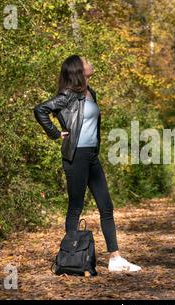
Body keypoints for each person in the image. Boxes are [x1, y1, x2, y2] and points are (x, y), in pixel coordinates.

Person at [34, 55, 141, 272]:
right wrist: (55, 133)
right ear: (78, 70)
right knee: (75, 207)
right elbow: (40, 109)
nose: (90, 62)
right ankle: (70, 258)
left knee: (106, 206)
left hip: (91, 155)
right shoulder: (68, 95)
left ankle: (115, 259)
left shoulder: (91, 93)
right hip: (76, 156)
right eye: (85, 61)